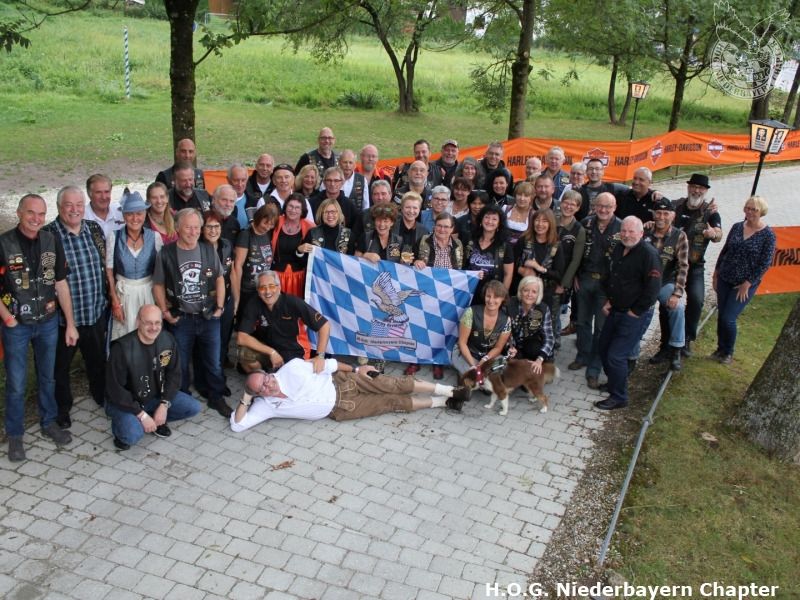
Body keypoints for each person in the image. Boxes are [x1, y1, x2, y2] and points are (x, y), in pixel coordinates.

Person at [1, 194, 76, 461]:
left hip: (48, 322)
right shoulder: (4, 243)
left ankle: (48, 422)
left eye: (41, 214)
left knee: (48, 376)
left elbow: (61, 283)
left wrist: (71, 324)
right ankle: (15, 434)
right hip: (17, 325)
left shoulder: (51, 240)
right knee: (16, 383)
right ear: (19, 213)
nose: (36, 218)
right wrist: (7, 318)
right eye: (31, 212)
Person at [230, 358, 466, 432]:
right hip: (342, 409)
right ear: (257, 394)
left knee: (394, 384)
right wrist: (246, 398)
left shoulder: (292, 368)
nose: (268, 386)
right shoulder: (267, 405)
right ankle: (442, 402)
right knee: (392, 403)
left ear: (269, 374)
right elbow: (238, 425)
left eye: (267, 379)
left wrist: (356, 369)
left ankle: (451, 390)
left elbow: (330, 364)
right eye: (261, 388)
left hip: (344, 382)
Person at [152, 208, 230, 418]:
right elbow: (158, 284)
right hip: (181, 319)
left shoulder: (208, 250)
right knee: (181, 363)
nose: (193, 232)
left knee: (213, 362)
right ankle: (182, 398)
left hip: (208, 317)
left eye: (197, 227)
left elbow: (219, 278)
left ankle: (216, 397)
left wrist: (220, 307)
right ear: (177, 228)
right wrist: (165, 312)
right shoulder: (166, 253)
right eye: (188, 227)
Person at [43, 186, 107, 429]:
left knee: (97, 361)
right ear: (59, 207)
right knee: (60, 368)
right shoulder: (48, 235)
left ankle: (101, 396)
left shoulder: (93, 229)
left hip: (94, 311)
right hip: (64, 319)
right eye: (69, 205)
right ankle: (62, 408)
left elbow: (104, 264)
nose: (74, 209)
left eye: (79, 204)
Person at [105, 305, 201, 450]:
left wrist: (164, 404)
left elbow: (174, 375)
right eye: (148, 323)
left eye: (157, 323)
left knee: (193, 407)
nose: (154, 328)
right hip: (126, 402)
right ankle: (123, 431)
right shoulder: (121, 349)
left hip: (154, 397)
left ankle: (155, 418)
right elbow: (116, 390)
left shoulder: (168, 340)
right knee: (132, 435)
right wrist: (141, 415)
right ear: (138, 322)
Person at [596, 216, 662, 410]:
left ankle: (619, 397)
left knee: (616, 355)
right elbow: (614, 277)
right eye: (623, 231)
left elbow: (653, 288)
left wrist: (636, 311)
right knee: (603, 348)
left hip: (633, 314)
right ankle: (614, 382)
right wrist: (609, 300)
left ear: (641, 233)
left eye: (631, 231)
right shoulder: (619, 248)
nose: (626, 235)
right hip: (615, 309)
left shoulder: (649, 254)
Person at [712, 196, 776, 364]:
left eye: (754, 209)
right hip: (725, 277)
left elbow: (765, 263)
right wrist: (716, 273)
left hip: (745, 284)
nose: (750, 212)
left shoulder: (768, 235)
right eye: (748, 208)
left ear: (761, 211)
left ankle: (728, 352)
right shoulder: (737, 227)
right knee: (721, 315)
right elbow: (725, 251)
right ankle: (720, 348)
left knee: (729, 318)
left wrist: (748, 283)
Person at [569, 192, 622, 389]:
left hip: (606, 286)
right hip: (584, 280)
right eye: (600, 205)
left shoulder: (621, 227)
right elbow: (576, 252)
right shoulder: (586, 223)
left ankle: (594, 368)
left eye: (608, 207)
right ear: (594, 206)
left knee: (601, 328)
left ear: (614, 207)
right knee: (582, 321)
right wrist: (575, 275)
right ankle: (582, 355)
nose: (603, 210)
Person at [236, 271, 330, 373]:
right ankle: (263, 378)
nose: (267, 291)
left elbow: (324, 326)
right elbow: (241, 338)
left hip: (294, 353)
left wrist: (320, 356)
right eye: (262, 288)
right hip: (270, 351)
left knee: (292, 378)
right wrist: (271, 352)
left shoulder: (293, 302)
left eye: (271, 286)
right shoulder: (254, 303)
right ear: (258, 291)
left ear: (279, 287)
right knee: (244, 353)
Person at [409, 212, 464, 380]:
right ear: (434, 226)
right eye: (439, 225)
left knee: (441, 328)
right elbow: (409, 259)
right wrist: (415, 262)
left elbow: (461, 270)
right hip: (425, 291)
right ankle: (415, 360)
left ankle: (437, 362)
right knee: (420, 326)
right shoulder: (423, 241)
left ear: (452, 229)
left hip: (447, 294)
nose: (442, 229)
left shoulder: (458, 245)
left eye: (446, 226)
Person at [673, 173, 722, 356]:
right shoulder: (676, 205)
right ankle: (667, 342)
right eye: (693, 186)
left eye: (700, 188)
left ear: (705, 191)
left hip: (695, 266)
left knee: (696, 299)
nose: (696, 190)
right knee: (667, 302)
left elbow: (718, 233)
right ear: (688, 188)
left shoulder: (711, 212)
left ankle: (687, 339)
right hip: (673, 264)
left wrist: (713, 234)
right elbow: (660, 209)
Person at [106, 190, 163, 341]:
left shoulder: (154, 237)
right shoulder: (114, 237)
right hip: (124, 294)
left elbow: (160, 270)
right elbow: (109, 272)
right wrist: (115, 301)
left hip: (148, 292)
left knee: (148, 330)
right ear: (124, 216)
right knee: (125, 333)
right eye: (130, 214)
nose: (135, 218)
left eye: (139, 213)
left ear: (145, 214)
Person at [643, 198, 689, 371]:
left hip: (664, 283)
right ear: (653, 214)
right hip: (644, 284)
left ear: (673, 215)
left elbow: (683, 266)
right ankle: (631, 350)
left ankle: (676, 349)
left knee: (678, 308)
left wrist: (677, 293)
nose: (661, 217)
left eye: (665, 213)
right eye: (658, 213)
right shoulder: (644, 231)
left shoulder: (680, 236)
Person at [514, 208, 565, 348]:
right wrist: (522, 270)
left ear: (550, 224)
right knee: (521, 325)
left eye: (544, 221)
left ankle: (545, 353)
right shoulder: (524, 240)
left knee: (544, 327)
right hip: (523, 292)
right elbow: (511, 263)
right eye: (537, 220)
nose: (540, 224)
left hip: (545, 293)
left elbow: (559, 274)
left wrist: (539, 268)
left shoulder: (556, 245)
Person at [197, 211, 235, 390]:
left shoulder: (226, 245)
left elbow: (232, 273)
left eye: (216, 226)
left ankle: (218, 379)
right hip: (205, 303)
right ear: (202, 229)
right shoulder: (196, 247)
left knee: (223, 340)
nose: (213, 230)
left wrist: (236, 301)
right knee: (205, 344)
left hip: (225, 301)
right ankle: (204, 381)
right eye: (209, 227)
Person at [451, 280, 512, 376]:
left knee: (502, 366)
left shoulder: (506, 320)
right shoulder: (470, 312)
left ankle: (476, 377)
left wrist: (485, 360)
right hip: (467, 354)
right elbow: (462, 343)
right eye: (488, 296)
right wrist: (473, 365)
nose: (491, 300)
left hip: (488, 357)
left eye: (496, 297)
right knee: (474, 374)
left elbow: (498, 347)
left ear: (503, 299)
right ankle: (469, 375)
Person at [231, 203, 279, 317]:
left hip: (263, 289)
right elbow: (237, 266)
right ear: (258, 218)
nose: (267, 227)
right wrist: (237, 296)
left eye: (271, 224)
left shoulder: (268, 234)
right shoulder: (246, 235)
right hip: (247, 290)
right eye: (265, 223)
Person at [465, 205, 514, 305]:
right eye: (487, 217)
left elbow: (508, 274)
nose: (490, 221)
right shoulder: (470, 240)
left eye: (494, 219)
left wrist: (501, 297)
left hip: (492, 296)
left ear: (499, 223)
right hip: (468, 292)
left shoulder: (504, 246)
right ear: (481, 219)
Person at [270, 193, 314, 297]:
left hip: (299, 278)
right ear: (285, 207)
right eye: (290, 206)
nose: (293, 210)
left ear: (302, 211)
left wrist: (300, 252)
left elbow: (311, 257)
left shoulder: (310, 227)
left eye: (297, 207)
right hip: (275, 276)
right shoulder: (275, 222)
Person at [507, 275, 554, 368]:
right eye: (526, 290)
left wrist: (539, 359)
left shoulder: (543, 309)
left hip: (531, 345)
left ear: (538, 294)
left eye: (534, 292)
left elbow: (549, 338)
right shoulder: (510, 304)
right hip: (514, 345)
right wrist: (510, 347)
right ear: (520, 291)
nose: (529, 294)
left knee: (534, 348)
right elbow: (504, 332)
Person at [556, 190, 586, 337]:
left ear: (578, 208)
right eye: (566, 203)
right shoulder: (551, 221)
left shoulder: (579, 230)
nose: (568, 207)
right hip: (545, 272)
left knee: (555, 313)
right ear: (561, 203)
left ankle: (554, 341)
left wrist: (564, 284)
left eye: (572, 204)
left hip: (562, 277)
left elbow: (576, 260)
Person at [84, 173, 124, 240]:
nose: (104, 197)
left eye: (106, 192)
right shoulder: (81, 218)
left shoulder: (121, 211)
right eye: (98, 192)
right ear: (89, 194)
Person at [393, 192, 429, 265]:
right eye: (408, 207)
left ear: (419, 210)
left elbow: (425, 256)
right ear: (402, 208)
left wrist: (417, 261)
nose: (411, 211)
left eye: (415, 208)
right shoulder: (392, 227)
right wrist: (398, 259)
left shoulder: (424, 231)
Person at [228, 164, 259, 232]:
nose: (240, 184)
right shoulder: (219, 202)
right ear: (228, 180)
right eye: (236, 180)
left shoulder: (254, 203)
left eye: (243, 180)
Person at [503, 182, 533, 247]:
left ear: (531, 198)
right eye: (519, 194)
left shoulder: (533, 215)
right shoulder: (505, 209)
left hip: (521, 250)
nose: (522, 198)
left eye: (526, 196)